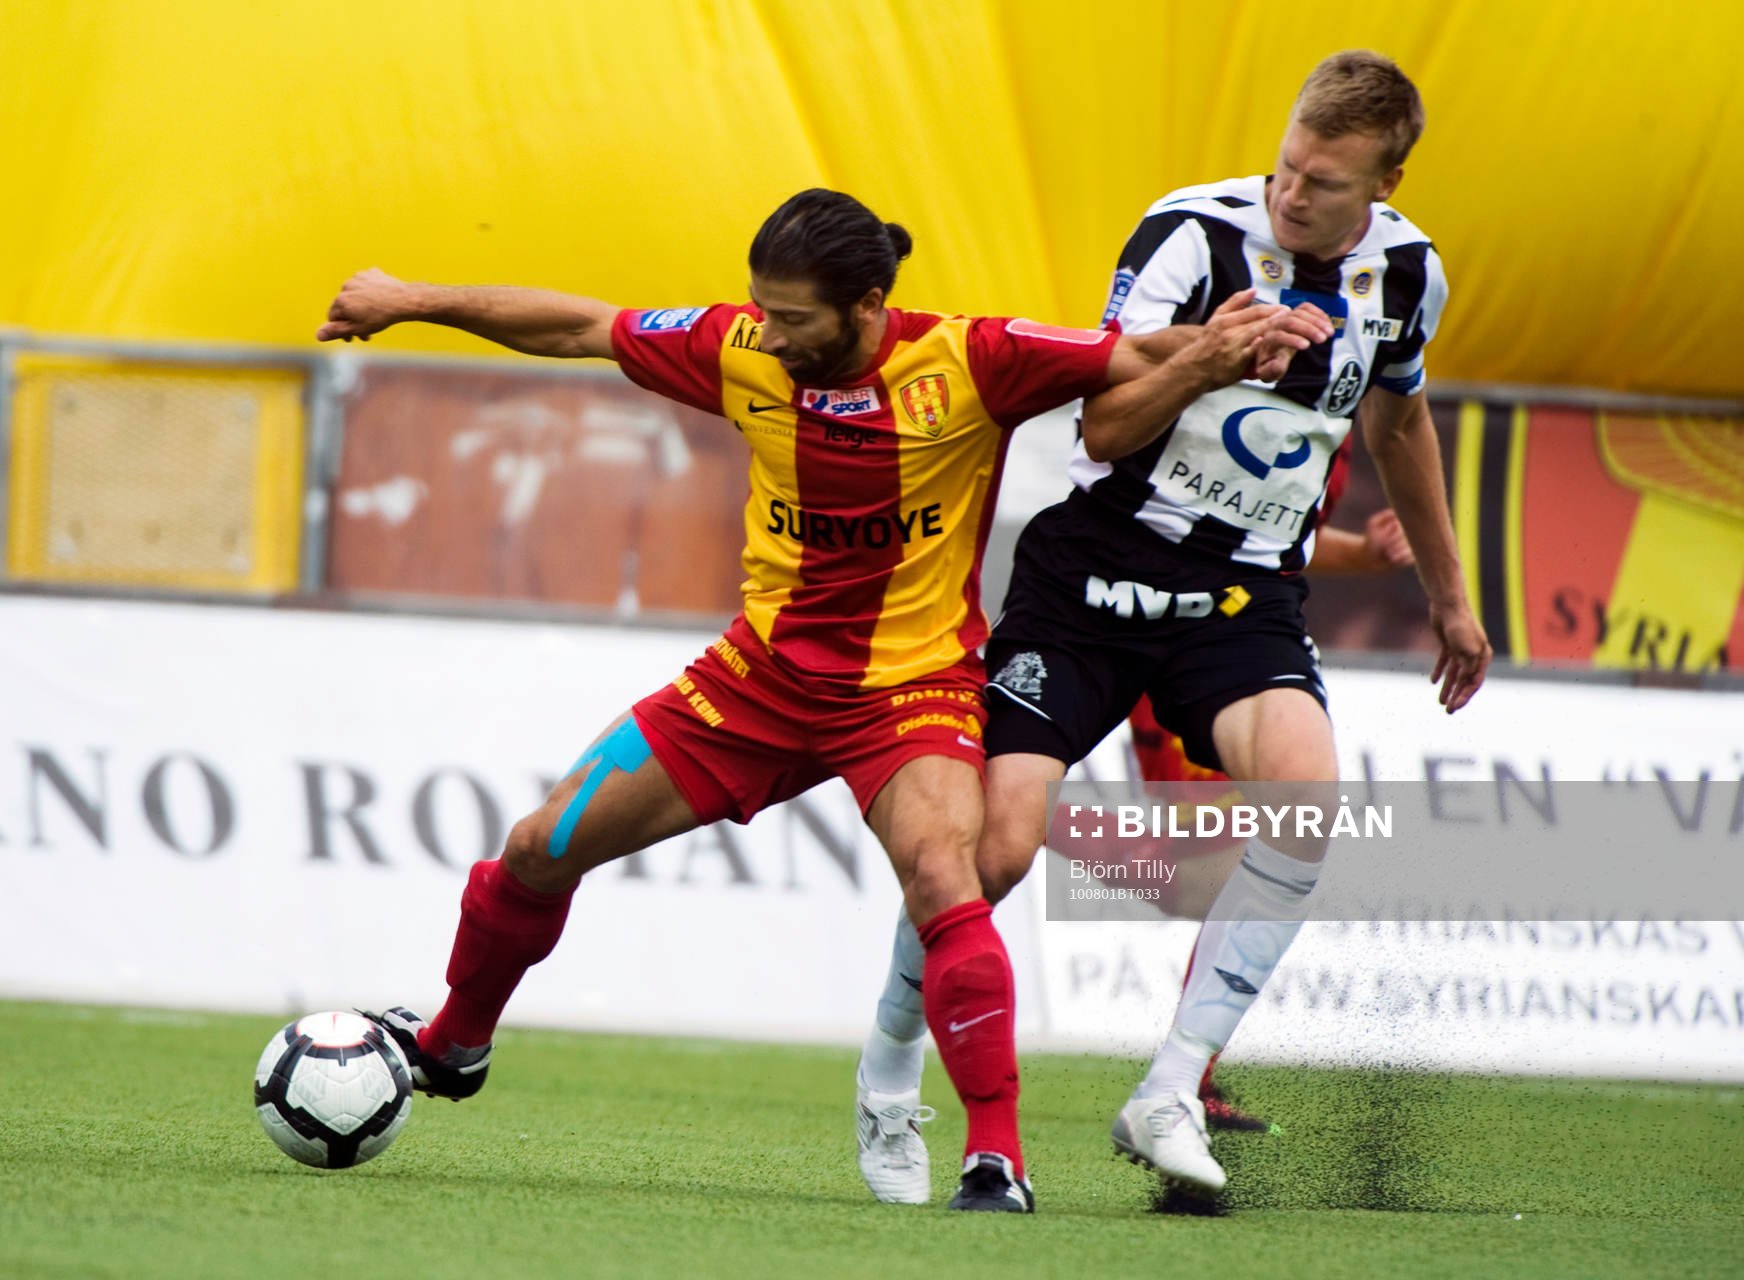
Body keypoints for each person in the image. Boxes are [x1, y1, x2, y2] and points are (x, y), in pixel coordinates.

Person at [314, 189, 1327, 1213]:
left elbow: (1123, 359)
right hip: (751, 686)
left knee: (951, 876)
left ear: (869, 304)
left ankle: (994, 1158)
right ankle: (453, 1042)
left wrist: (1220, 344)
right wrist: (411, 297)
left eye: (795, 317)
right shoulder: (740, 345)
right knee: (539, 845)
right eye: (766, 308)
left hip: (907, 693)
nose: (774, 333)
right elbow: (581, 324)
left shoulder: (973, 358)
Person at [854, 50, 1491, 1202]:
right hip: (1091, 585)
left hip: (1241, 605)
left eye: (1325, 184)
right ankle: (892, 1061)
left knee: (1307, 800)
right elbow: (1100, 430)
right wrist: (1210, 354)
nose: (1293, 195)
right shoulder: (1189, 238)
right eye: (1288, 166)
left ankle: (1170, 1085)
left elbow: (1399, 421)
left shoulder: (1408, 275)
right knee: (991, 847)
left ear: (1386, 181)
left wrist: (1449, 591)